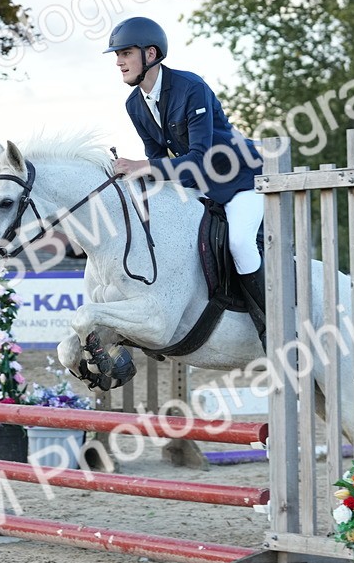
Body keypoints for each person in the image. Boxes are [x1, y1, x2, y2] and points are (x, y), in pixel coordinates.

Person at [104, 17, 268, 348]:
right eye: (117, 55)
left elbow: (199, 157)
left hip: (241, 179)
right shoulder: (134, 104)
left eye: (125, 53)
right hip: (199, 185)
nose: (119, 61)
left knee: (239, 242)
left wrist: (141, 166)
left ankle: (272, 325)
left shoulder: (190, 87)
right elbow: (157, 156)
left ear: (150, 53)